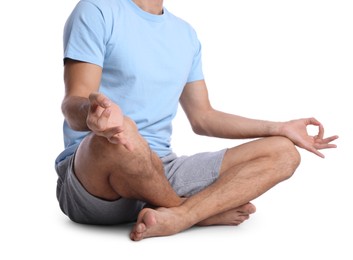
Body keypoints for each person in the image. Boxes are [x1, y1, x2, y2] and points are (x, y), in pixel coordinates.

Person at [55, 0, 338, 241]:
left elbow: (204, 117)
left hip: (160, 170)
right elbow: (73, 102)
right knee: (123, 132)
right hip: (93, 181)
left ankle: (179, 216)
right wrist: (93, 117)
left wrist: (281, 128)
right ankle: (193, 213)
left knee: (284, 152)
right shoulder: (97, 10)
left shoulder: (185, 34)